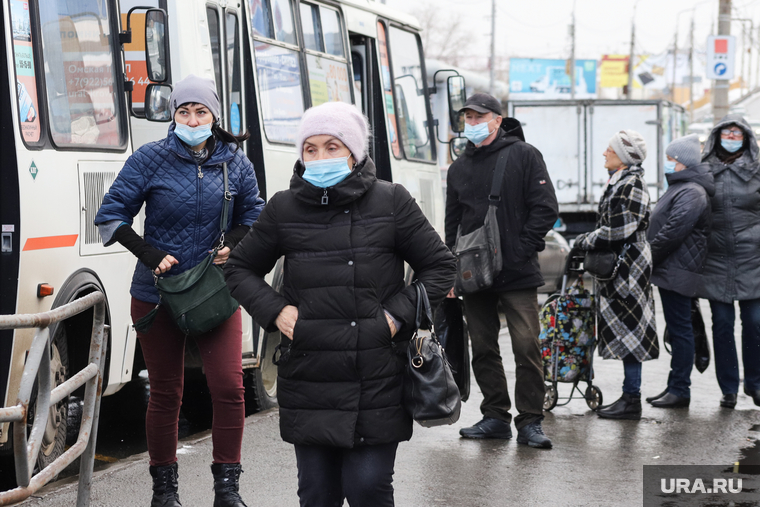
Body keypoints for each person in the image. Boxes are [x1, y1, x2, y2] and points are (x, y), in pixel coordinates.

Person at [224, 101, 456, 507]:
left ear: (353, 151)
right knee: (317, 495)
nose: (320, 158)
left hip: (377, 375)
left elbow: (440, 267)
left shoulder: (391, 201)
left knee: (368, 489)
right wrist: (276, 311)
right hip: (311, 374)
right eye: (310, 149)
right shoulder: (283, 207)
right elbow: (239, 269)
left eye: (332, 147)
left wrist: (393, 318)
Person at [95, 75, 263, 507]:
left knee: (229, 387)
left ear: (214, 116)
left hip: (213, 292)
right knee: (166, 392)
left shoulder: (236, 163)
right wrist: (149, 254)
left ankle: (228, 490)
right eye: (184, 111)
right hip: (156, 294)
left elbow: (256, 215)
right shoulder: (149, 158)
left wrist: (234, 243)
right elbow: (111, 213)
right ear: (174, 115)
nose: (192, 119)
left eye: (200, 112)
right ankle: (164, 493)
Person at [444, 93, 558, 448]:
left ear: (497, 119)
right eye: (467, 118)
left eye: (479, 117)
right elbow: (453, 224)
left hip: (517, 273)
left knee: (526, 347)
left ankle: (530, 421)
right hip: (473, 276)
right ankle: (495, 417)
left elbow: (545, 209)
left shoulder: (524, 155)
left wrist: (519, 250)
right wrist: (452, 269)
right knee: (482, 347)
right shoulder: (459, 167)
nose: (472, 124)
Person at [574, 130, 658, 421]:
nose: (604, 153)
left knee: (631, 331)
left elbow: (619, 229)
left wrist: (585, 240)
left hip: (629, 269)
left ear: (623, 156)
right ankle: (628, 396)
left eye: (609, 150)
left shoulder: (632, 184)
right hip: (623, 267)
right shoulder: (621, 181)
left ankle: (631, 399)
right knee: (626, 330)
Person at [645, 134, 714, 408]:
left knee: (682, 331)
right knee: (677, 329)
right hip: (674, 269)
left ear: (684, 163)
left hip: (678, 270)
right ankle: (674, 386)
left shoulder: (691, 192)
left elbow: (673, 231)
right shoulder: (682, 187)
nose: (668, 163)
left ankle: (680, 390)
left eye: (672, 159)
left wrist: (648, 256)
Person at [698, 114, 760, 409]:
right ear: (717, 136)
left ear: (747, 138)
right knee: (722, 324)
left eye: (738, 134)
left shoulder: (758, 170)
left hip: (753, 258)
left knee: (755, 323)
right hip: (716, 259)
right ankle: (728, 388)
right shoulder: (704, 170)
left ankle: (755, 382)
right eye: (727, 133)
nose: (732, 138)